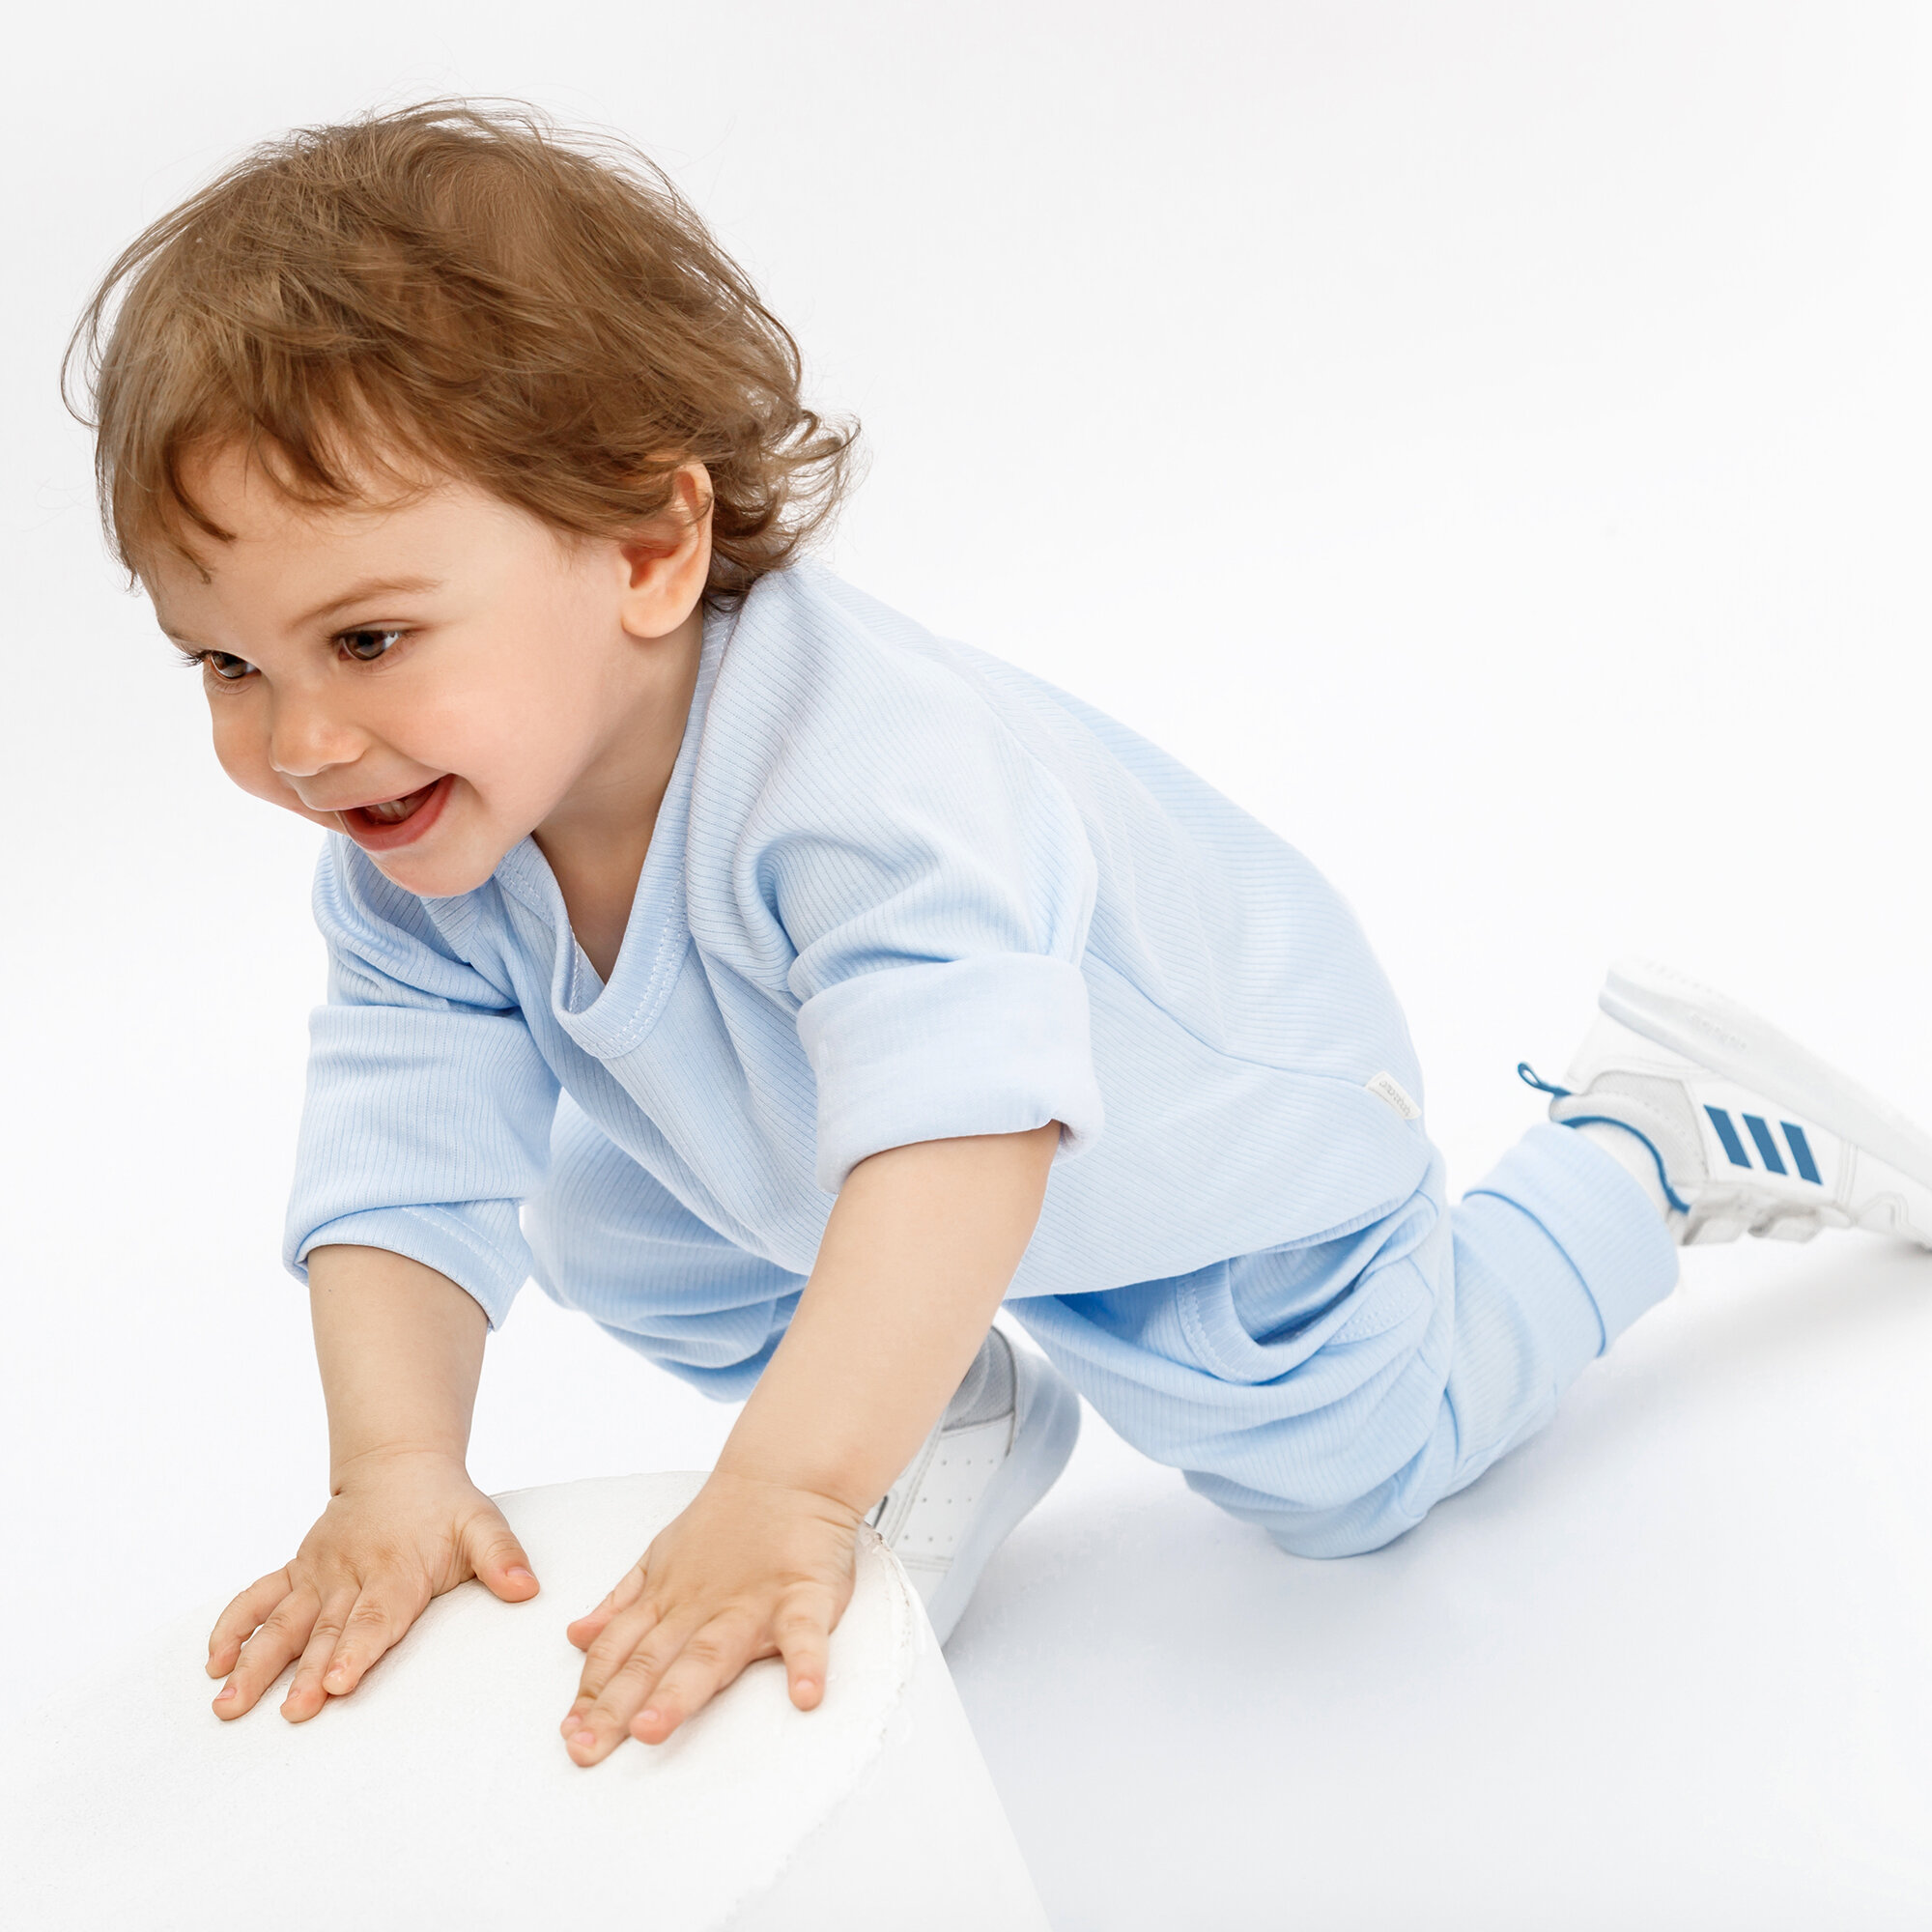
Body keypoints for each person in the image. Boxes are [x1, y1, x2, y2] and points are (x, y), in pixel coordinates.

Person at [71, 100, 1932, 1772]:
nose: (301, 745)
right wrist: (395, 1473)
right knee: (595, 1198)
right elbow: (402, 1158)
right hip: (824, 1142)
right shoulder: (424, 838)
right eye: (228, 663)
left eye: (369, 641)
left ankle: (1641, 1142)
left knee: (1354, 1472)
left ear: (646, 548)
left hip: (1197, 1144)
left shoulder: (866, 782)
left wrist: (790, 1488)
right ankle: (937, 1396)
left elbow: (967, 1136)